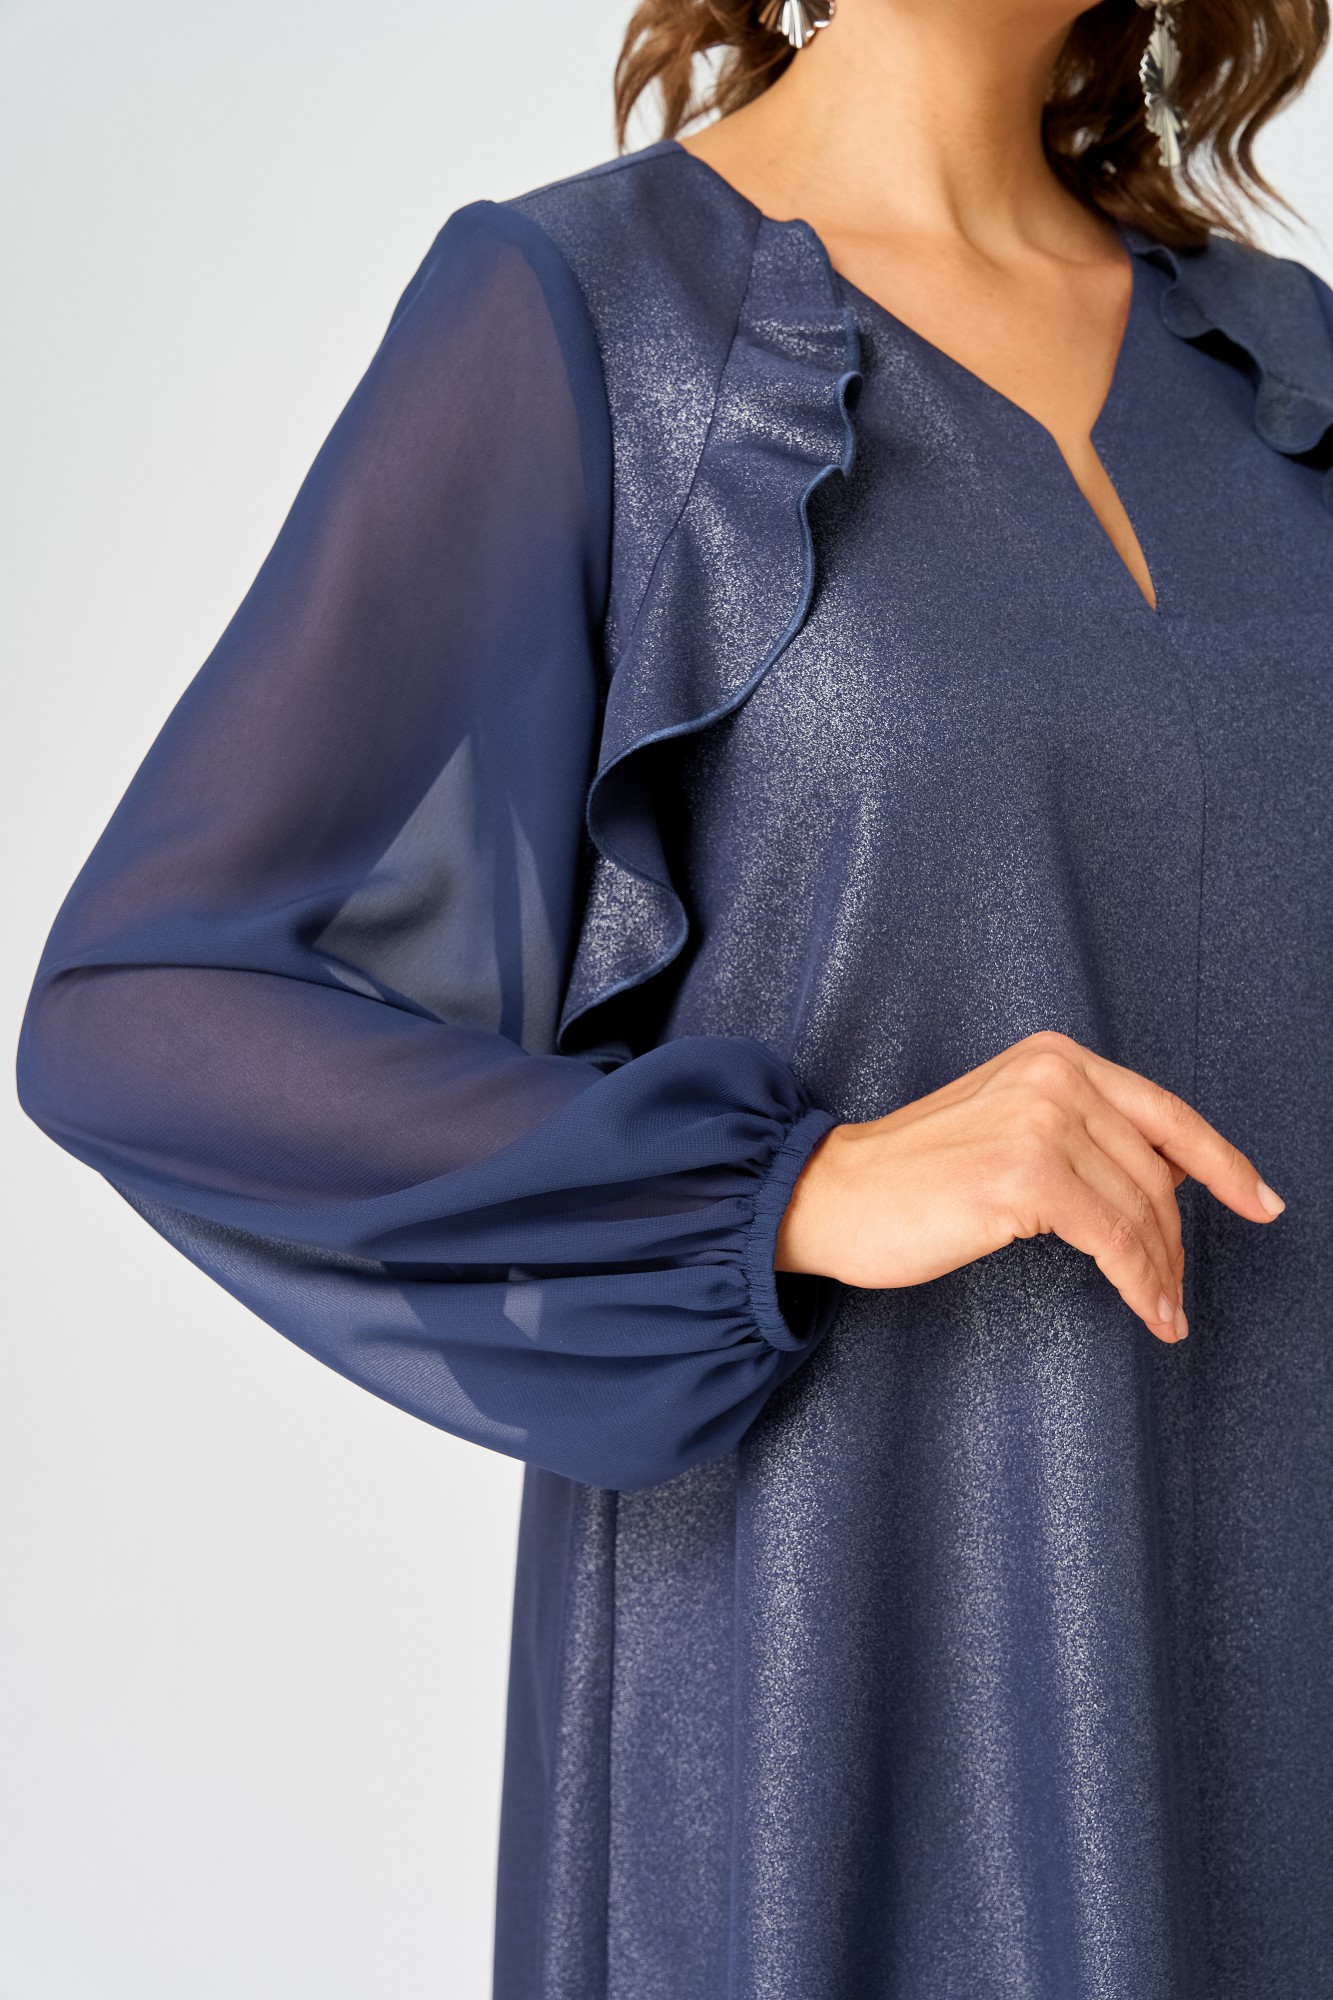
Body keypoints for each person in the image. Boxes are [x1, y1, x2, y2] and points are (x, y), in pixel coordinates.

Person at [17, 0, 1333, 1991]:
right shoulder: (583, 318)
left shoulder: (1281, 370)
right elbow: (145, 1005)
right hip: (842, 1658)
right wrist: (792, 1186)